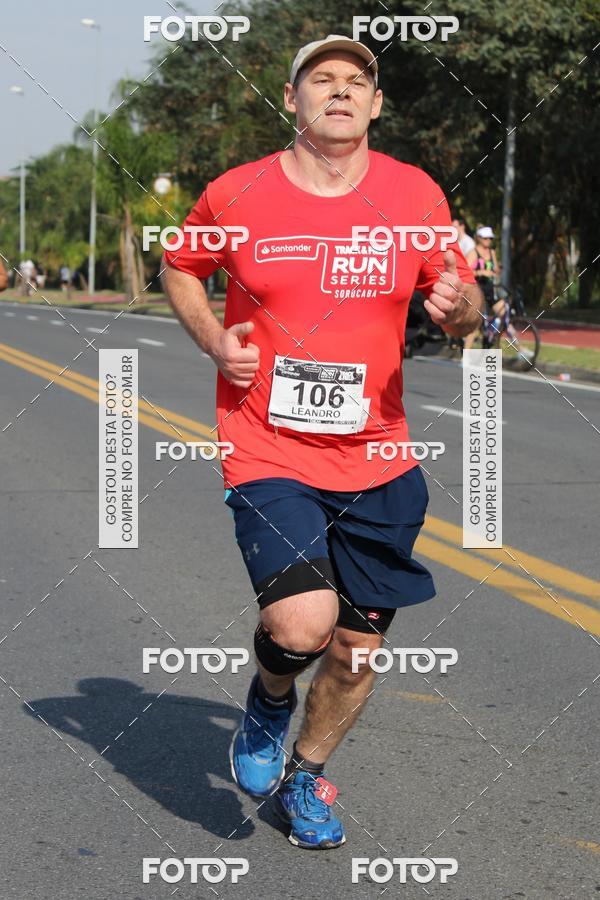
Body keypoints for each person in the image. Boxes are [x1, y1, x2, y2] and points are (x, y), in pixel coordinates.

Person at [162, 34, 482, 850]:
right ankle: (271, 699)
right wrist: (211, 339)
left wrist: (459, 309)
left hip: (380, 457)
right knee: (303, 625)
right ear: (292, 99)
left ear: (375, 106)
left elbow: (462, 301)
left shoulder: (415, 197)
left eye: (355, 83)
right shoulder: (238, 192)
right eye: (321, 80)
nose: (339, 91)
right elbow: (181, 265)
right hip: (266, 446)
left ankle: (306, 775)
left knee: (354, 654)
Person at [463, 225, 503, 350]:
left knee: (504, 314)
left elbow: (495, 269)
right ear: (479, 238)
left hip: (490, 291)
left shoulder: (492, 252)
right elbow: (465, 272)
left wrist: (497, 270)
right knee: (476, 324)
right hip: (477, 292)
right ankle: (466, 357)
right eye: (485, 238)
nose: (488, 241)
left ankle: (520, 349)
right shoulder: (473, 253)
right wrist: (480, 272)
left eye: (490, 238)